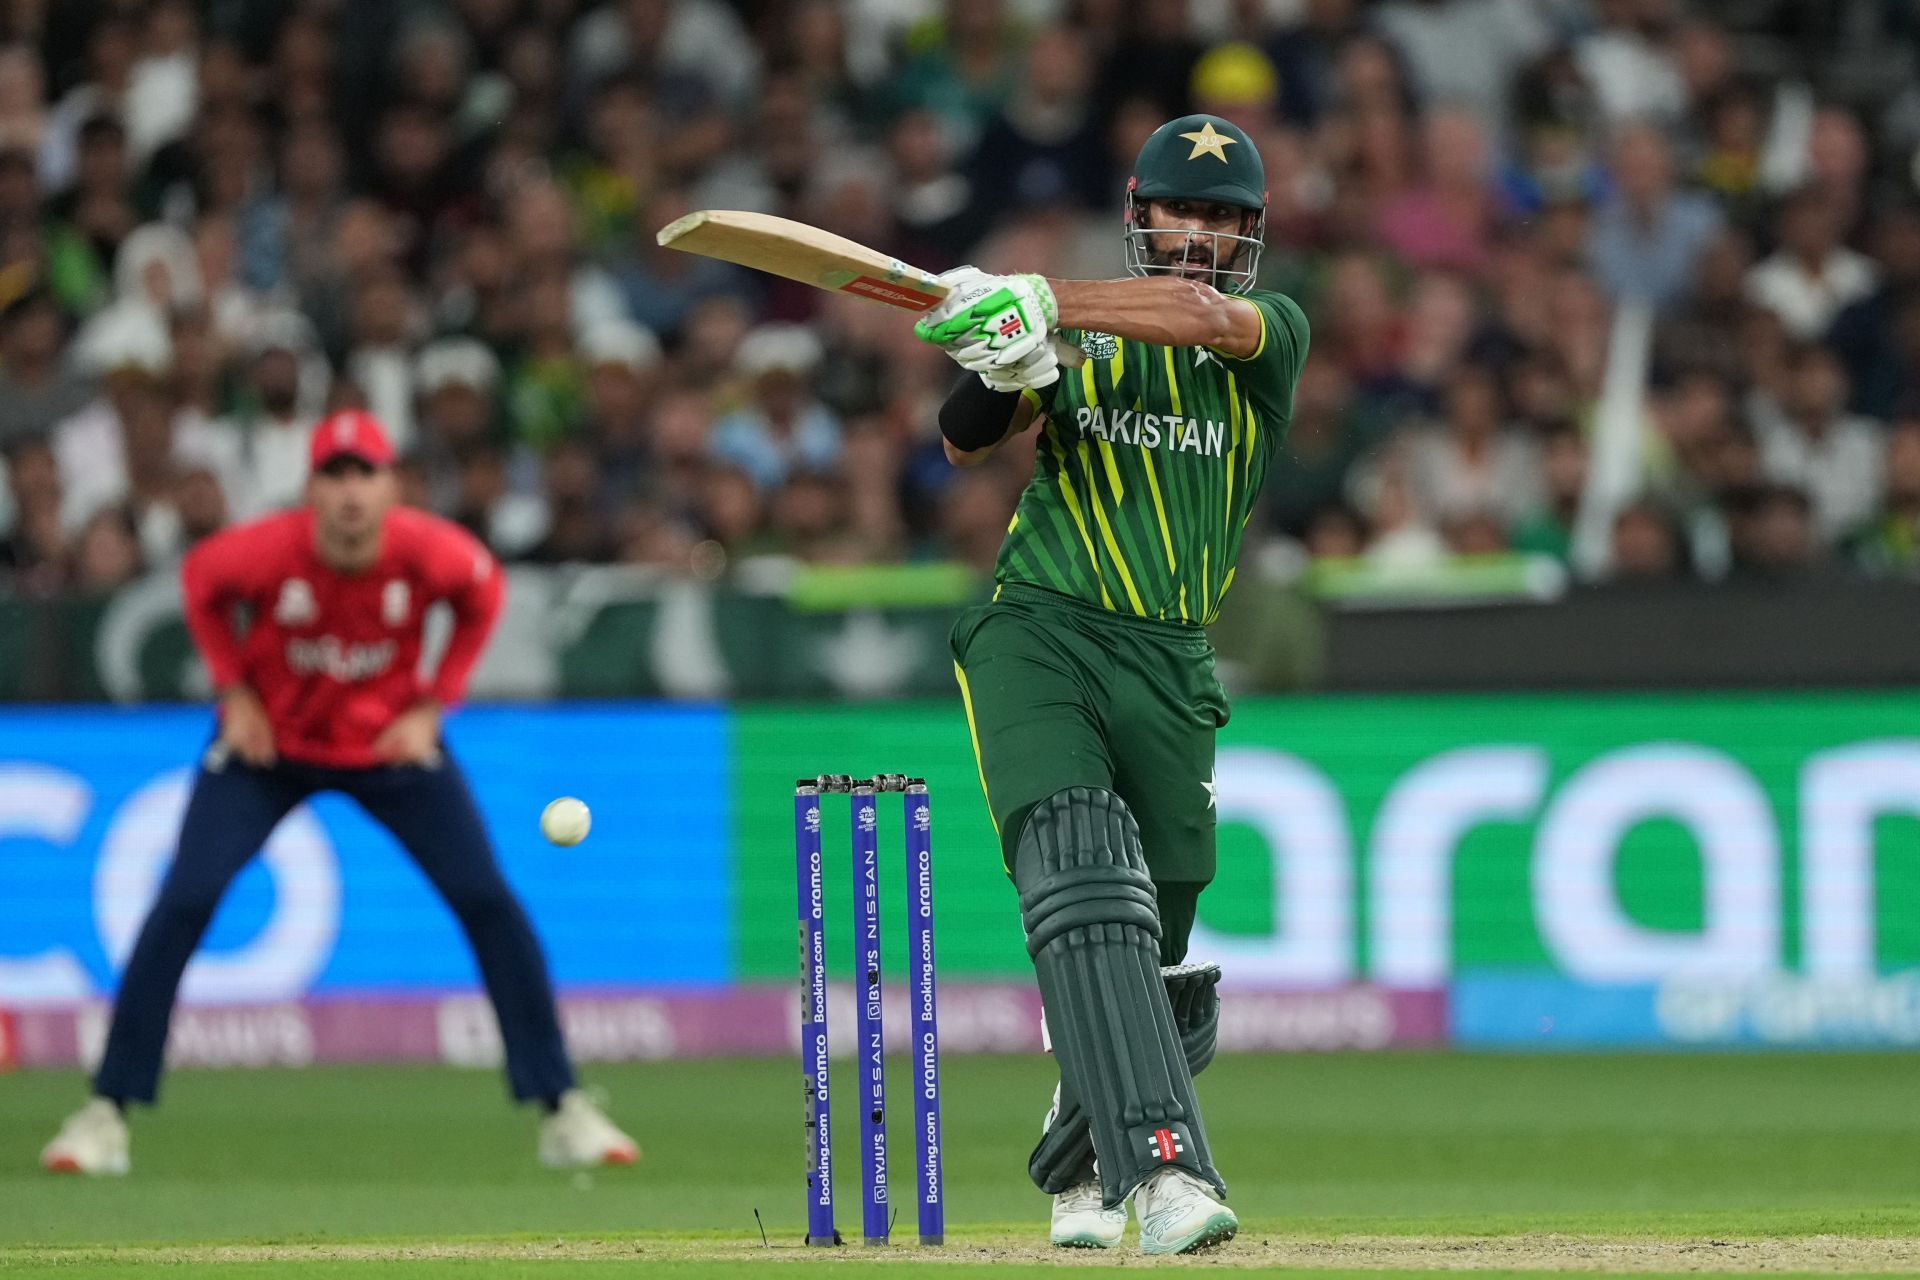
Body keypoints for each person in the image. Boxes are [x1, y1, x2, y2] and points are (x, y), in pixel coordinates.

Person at [39, 411, 636, 1176]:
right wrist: (235, 694)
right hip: (269, 750)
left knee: (488, 901)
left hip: (389, 745)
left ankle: (562, 1106)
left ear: (392, 486)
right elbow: (200, 585)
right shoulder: (262, 551)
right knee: (183, 902)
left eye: (366, 474)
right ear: (311, 489)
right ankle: (104, 1113)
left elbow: (482, 594)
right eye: (335, 475)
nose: (351, 492)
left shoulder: (431, 550)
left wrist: (432, 704)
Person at [914, 114, 1309, 1254]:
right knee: (1082, 865)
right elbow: (962, 439)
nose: (1200, 236)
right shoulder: (1080, 342)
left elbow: (1193, 317)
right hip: (1037, 629)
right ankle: (1166, 1172)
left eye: (1226, 218)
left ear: (1251, 236)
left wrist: (1036, 294)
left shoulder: (1270, 332)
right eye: (1181, 212)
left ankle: (1070, 1142)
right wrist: (1005, 359)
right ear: (1141, 217)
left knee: (1163, 935)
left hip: (1171, 659)